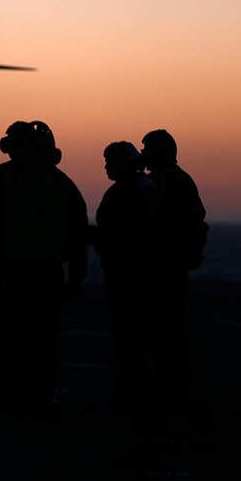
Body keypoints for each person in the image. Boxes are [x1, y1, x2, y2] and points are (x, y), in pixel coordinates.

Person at [0, 121, 87, 414]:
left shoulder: (6, 177)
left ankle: (9, 397)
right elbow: (78, 232)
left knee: (9, 338)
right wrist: (78, 274)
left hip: (11, 274)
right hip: (50, 273)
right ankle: (41, 396)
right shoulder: (63, 183)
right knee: (44, 338)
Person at [140, 129, 208, 407]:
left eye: (147, 149)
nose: (143, 154)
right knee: (169, 329)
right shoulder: (177, 180)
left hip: (162, 268)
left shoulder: (160, 183)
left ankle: (169, 388)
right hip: (170, 266)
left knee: (163, 330)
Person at [91, 141, 160, 412]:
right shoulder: (141, 186)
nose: (106, 166)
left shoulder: (129, 190)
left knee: (130, 334)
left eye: (110, 161)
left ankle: (135, 394)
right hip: (134, 269)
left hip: (129, 272)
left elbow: (125, 233)